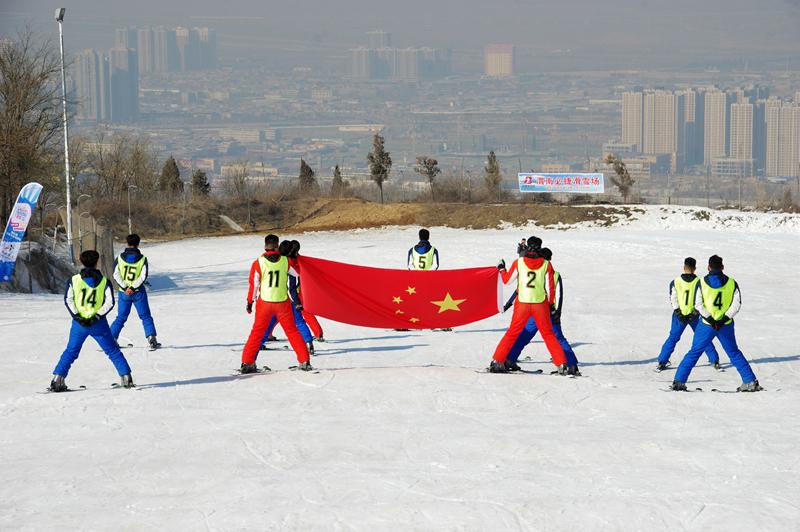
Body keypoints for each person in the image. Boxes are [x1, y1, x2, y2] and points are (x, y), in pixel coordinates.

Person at [671, 255, 761, 392]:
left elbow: (698, 304)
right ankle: (750, 381)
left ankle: (679, 381)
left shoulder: (701, 282)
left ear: (708, 267)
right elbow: (737, 304)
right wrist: (724, 318)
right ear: (723, 267)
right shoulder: (732, 283)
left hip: (707, 325)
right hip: (726, 325)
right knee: (734, 353)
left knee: (695, 352)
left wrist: (711, 319)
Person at [50, 250, 134, 391]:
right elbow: (110, 302)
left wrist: (77, 316)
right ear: (97, 262)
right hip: (98, 323)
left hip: (79, 323)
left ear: (81, 262)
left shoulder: (74, 280)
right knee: (112, 350)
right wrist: (96, 316)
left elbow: (68, 299)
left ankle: (58, 379)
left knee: (71, 351)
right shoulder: (104, 281)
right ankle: (126, 377)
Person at [488, 236, 567, 374]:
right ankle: (561, 365)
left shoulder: (519, 262)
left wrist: (501, 269)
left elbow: (507, 281)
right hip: (540, 304)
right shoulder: (546, 264)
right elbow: (550, 289)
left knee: (512, 332)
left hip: (522, 303)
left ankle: (497, 361)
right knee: (548, 334)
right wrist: (551, 306)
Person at [504, 247, 581, 375]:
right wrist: (557, 312)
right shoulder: (553, 273)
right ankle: (571, 364)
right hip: (547, 311)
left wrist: (508, 305)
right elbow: (559, 295)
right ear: (549, 259)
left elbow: (519, 290)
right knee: (556, 338)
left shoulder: (535, 270)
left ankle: (510, 359)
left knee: (525, 335)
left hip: (539, 310)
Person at [241, 234, 312, 373]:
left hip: (265, 304)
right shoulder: (285, 261)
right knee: (292, 332)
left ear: (265, 245)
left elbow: (254, 285)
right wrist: (296, 258)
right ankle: (304, 361)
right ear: (277, 245)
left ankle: (248, 362)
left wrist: (250, 302)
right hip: (282, 304)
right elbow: (298, 274)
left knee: (256, 333)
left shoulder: (258, 262)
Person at [656, 257, 720, 371]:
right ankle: (714, 360)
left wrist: (678, 312)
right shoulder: (700, 282)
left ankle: (662, 361)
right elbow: (702, 299)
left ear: (684, 267)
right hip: (694, 316)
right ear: (695, 268)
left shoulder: (675, 281)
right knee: (704, 338)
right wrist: (694, 313)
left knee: (673, 337)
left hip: (679, 316)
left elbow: (673, 298)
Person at [110, 233, 161, 350]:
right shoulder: (142, 259)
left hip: (124, 293)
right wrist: (133, 287)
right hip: (138, 292)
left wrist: (125, 288)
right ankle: (151, 338)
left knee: (121, 317)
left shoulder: (119, 258)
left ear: (127, 243)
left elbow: (115, 274)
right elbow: (143, 276)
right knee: (145, 316)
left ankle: (112, 338)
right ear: (138, 244)